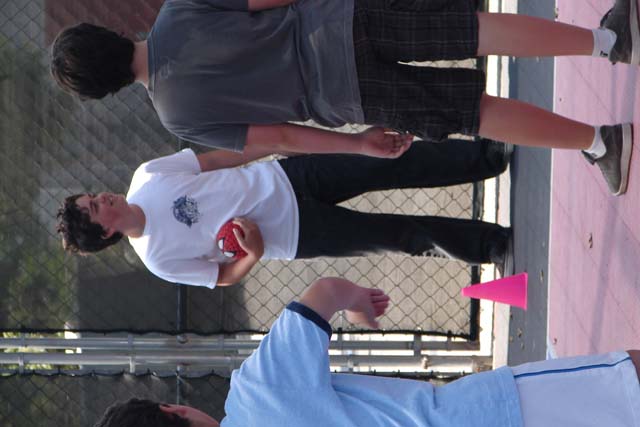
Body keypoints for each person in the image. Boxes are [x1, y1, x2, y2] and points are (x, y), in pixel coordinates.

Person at [51, 0, 635, 195]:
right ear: (105, 33)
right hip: (340, 22)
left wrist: (356, 145)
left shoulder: (179, 118)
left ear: (105, 91)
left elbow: (280, 138)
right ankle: (609, 41)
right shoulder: (178, 10)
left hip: (345, 96)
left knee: (473, 113)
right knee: (472, 31)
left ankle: (599, 142)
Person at [94, 277, 640, 427]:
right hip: (486, 417)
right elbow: (322, 294)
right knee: (626, 386)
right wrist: (357, 302)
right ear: (175, 408)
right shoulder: (257, 393)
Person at [56, 136, 512, 287]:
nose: (103, 198)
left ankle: (486, 156)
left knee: (388, 163)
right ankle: (490, 244)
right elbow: (224, 277)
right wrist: (253, 252)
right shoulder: (158, 258)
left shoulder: (147, 175)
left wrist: (276, 142)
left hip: (288, 176)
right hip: (296, 234)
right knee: (399, 235)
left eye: (94, 195)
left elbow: (215, 161)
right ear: (106, 233)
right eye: (95, 207)